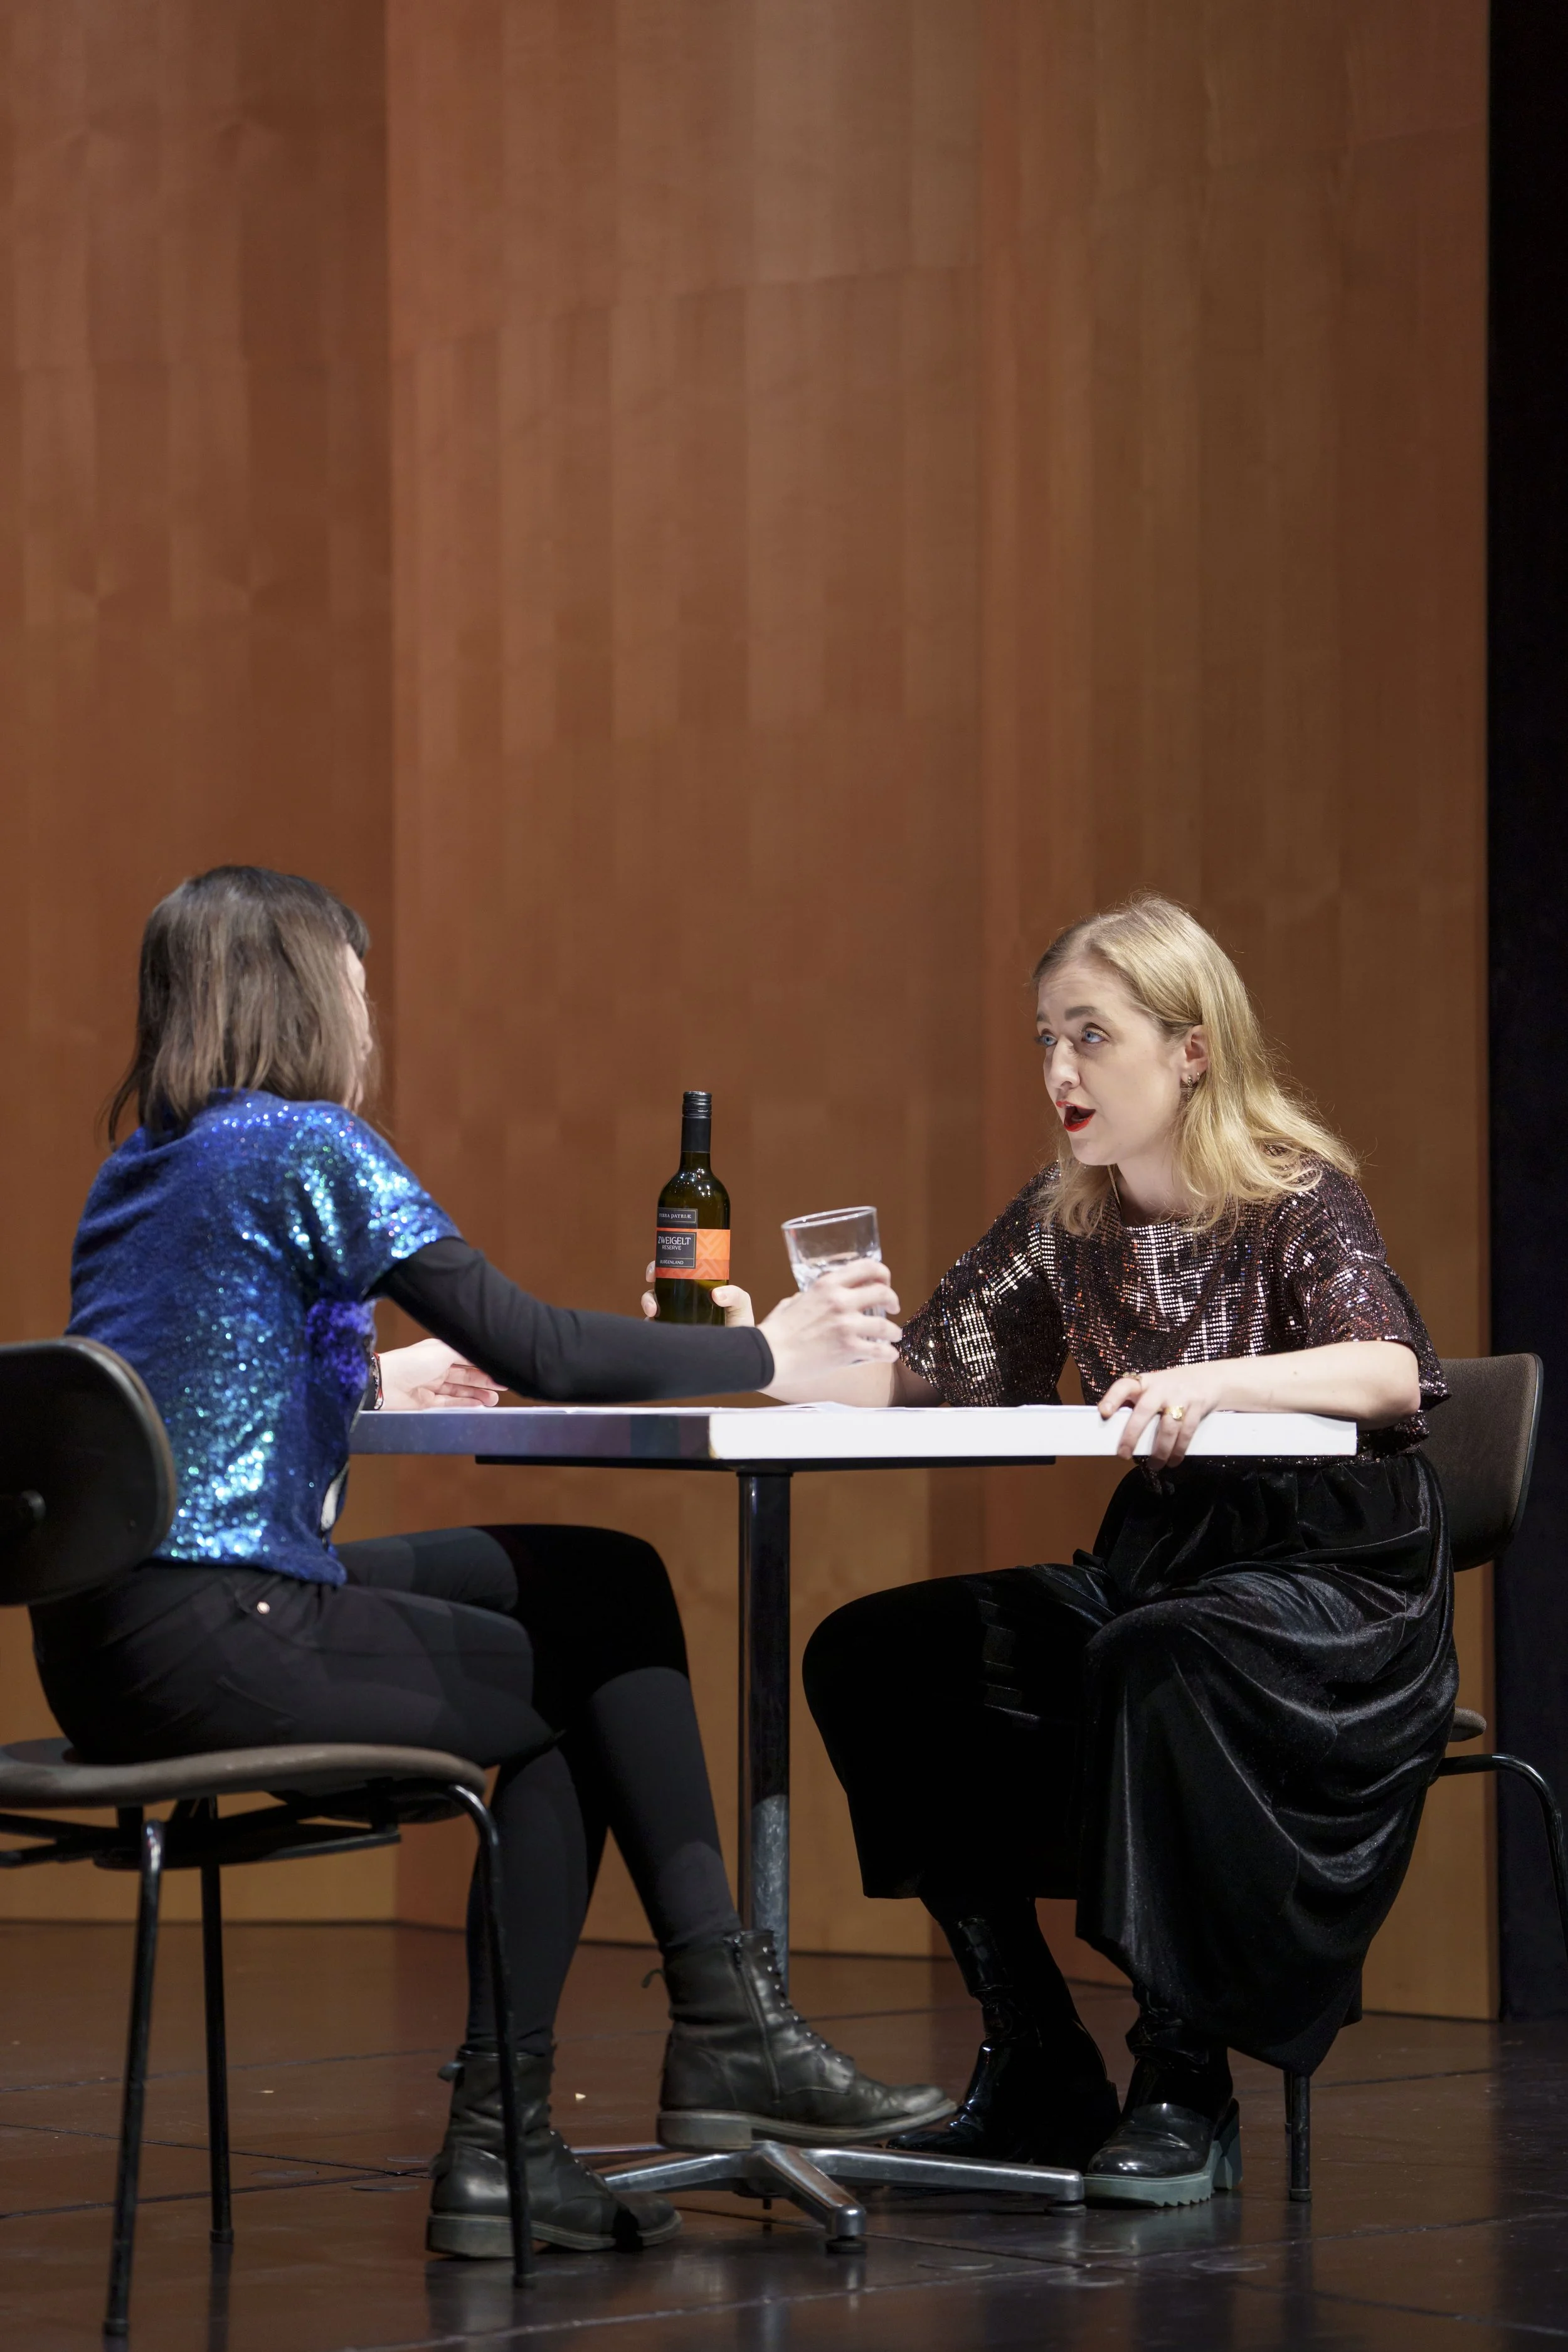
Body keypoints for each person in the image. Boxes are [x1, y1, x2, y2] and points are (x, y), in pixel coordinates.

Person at [34, 865, 950, 2262]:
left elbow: (192, 1388)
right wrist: (779, 1355)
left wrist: (376, 1376)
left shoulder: (147, 1167)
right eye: (356, 976)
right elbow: (539, 1345)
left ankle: (688, 2039)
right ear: (303, 990)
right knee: (577, 1681)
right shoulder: (303, 1144)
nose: (370, 1004)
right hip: (226, 1636)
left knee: (598, 1586)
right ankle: (577, 2102)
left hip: (112, 1644)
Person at [761, 895, 1453, 2208]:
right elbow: (917, 1384)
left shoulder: (1288, 1192)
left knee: (1155, 1659)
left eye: (1091, 1036)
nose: (1059, 1072)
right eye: (1044, 1039)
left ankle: (1182, 2077)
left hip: (1331, 1581)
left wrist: (1225, 1383)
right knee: (878, 1651)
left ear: (1188, 1050)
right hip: (1163, 1561)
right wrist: (762, 1348)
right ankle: (1032, 2051)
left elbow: (1389, 1372)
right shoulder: (1066, 1218)